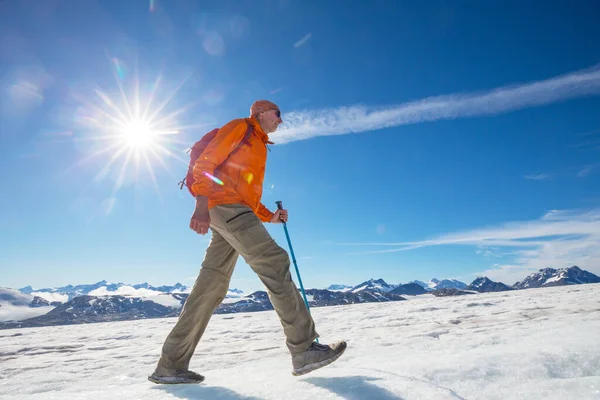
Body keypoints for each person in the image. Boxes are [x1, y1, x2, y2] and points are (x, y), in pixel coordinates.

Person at [148, 100, 346, 384]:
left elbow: (247, 197)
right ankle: (303, 350)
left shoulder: (257, 143)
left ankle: (170, 365)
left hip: (229, 211)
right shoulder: (240, 127)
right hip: (224, 207)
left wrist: (270, 216)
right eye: (278, 114)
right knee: (275, 263)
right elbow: (206, 163)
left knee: (210, 287)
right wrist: (201, 204)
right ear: (262, 112)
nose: (281, 121)